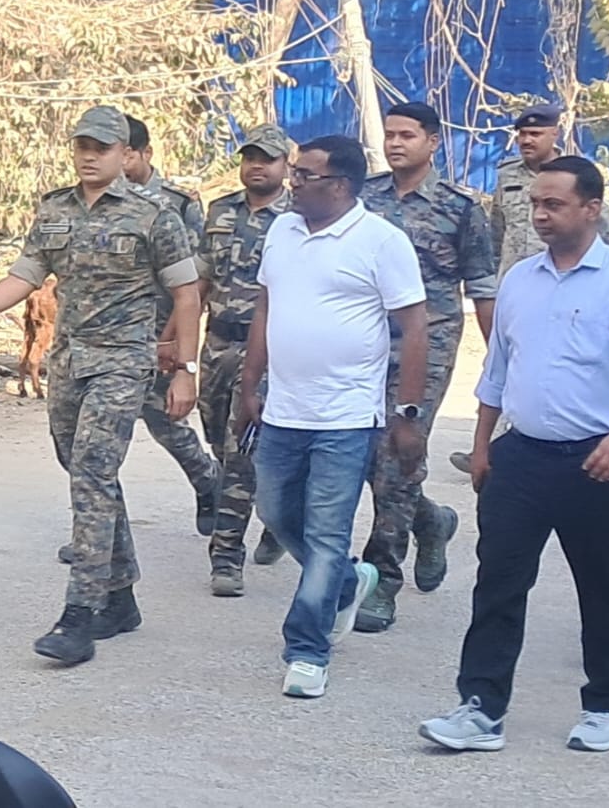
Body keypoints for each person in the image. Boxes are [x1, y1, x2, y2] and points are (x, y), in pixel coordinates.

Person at [419, 156, 609, 754]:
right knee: (499, 583)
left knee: (603, 586)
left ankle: (604, 708)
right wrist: (482, 444)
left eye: (554, 204)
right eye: (536, 203)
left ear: (591, 208)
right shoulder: (519, 280)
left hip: (601, 461)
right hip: (522, 458)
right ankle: (480, 709)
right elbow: (498, 369)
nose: (540, 214)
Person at [0, 105, 201, 666]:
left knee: (93, 473)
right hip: (69, 362)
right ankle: (120, 596)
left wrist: (185, 370)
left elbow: (187, 295)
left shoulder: (155, 214)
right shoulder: (55, 209)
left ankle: (80, 614)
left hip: (123, 362)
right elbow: (25, 276)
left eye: (102, 148)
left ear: (125, 154)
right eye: (82, 146)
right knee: (82, 470)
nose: (90, 156)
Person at [236, 135, 429, 698]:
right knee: (275, 512)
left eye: (304, 176)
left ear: (341, 185)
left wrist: (407, 414)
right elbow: (266, 307)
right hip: (283, 409)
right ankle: (346, 581)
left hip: (346, 415)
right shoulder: (283, 230)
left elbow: (415, 327)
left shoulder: (381, 241)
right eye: (294, 173)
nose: (291, 182)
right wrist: (250, 384)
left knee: (326, 532)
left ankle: (307, 650)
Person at [355, 102, 497, 632]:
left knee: (398, 453)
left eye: (407, 136)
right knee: (362, 456)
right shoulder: (363, 198)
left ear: (433, 142)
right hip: (364, 339)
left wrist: (500, 360)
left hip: (427, 343)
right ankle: (432, 521)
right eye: (390, 135)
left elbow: (482, 288)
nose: (395, 144)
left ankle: (381, 579)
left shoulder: (461, 208)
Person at [449, 105, 609, 475]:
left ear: (554, 134)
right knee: (504, 367)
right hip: (521, 291)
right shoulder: (507, 176)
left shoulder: (576, 177)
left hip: (570, 293)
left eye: (536, 134)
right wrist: (493, 288)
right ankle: (493, 446)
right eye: (522, 134)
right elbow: (497, 233)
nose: (527, 140)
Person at [200, 123, 293, 596]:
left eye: (267, 159)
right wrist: (174, 341)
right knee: (218, 440)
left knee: (240, 452)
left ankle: (226, 556)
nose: (257, 166)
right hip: (216, 342)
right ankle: (278, 514)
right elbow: (200, 278)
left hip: (268, 351)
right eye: (250, 157)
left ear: (286, 165)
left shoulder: (298, 218)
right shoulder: (219, 211)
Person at [120, 114, 223, 537]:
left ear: (146, 153)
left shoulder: (178, 205)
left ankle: (206, 478)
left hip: (160, 328)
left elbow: (195, 280)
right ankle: (99, 533)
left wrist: (181, 347)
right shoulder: (93, 199)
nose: (119, 162)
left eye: (128, 153)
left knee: (164, 420)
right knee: (96, 439)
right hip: (110, 332)